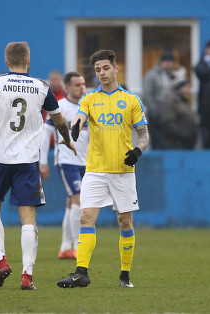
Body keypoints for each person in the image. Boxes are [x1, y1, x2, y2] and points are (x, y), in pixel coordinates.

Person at [0, 41, 76, 290]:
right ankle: (27, 276)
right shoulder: (41, 86)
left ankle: (1, 261)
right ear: (28, 61)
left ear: (6, 61)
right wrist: (67, 141)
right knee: (28, 217)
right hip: (27, 161)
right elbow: (59, 121)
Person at [57, 49, 149, 289]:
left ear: (116, 68)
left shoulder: (131, 100)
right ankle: (81, 273)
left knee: (124, 221)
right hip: (95, 169)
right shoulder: (89, 99)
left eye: (106, 68)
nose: (102, 73)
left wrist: (137, 151)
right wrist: (75, 127)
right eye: (97, 70)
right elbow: (79, 117)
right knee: (86, 216)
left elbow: (143, 134)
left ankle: (125, 275)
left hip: (122, 171)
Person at [39, 71, 89, 260]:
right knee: (78, 199)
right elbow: (46, 135)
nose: (81, 88)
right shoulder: (60, 107)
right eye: (77, 85)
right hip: (67, 162)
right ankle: (78, 246)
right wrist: (43, 162)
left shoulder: (88, 106)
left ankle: (65, 247)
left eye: (83, 84)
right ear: (67, 87)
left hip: (86, 162)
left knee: (71, 203)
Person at [143, 51, 175, 149]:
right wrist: (154, 111)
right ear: (161, 62)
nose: (169, 64)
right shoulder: (152, 75)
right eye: (167, 61)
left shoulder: (167, 75)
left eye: (171, 62)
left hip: (167, 115)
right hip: (156, 114)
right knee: (157, 141)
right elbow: (147, 94)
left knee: (166, 142)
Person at [159, 79, 198, 149]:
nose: (188, 90)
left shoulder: (182, 101)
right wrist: (182, 134)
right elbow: (168, 122)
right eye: (186, 87)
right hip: (176, 142)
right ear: (179, 87)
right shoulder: (170, 101)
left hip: (186, 141)